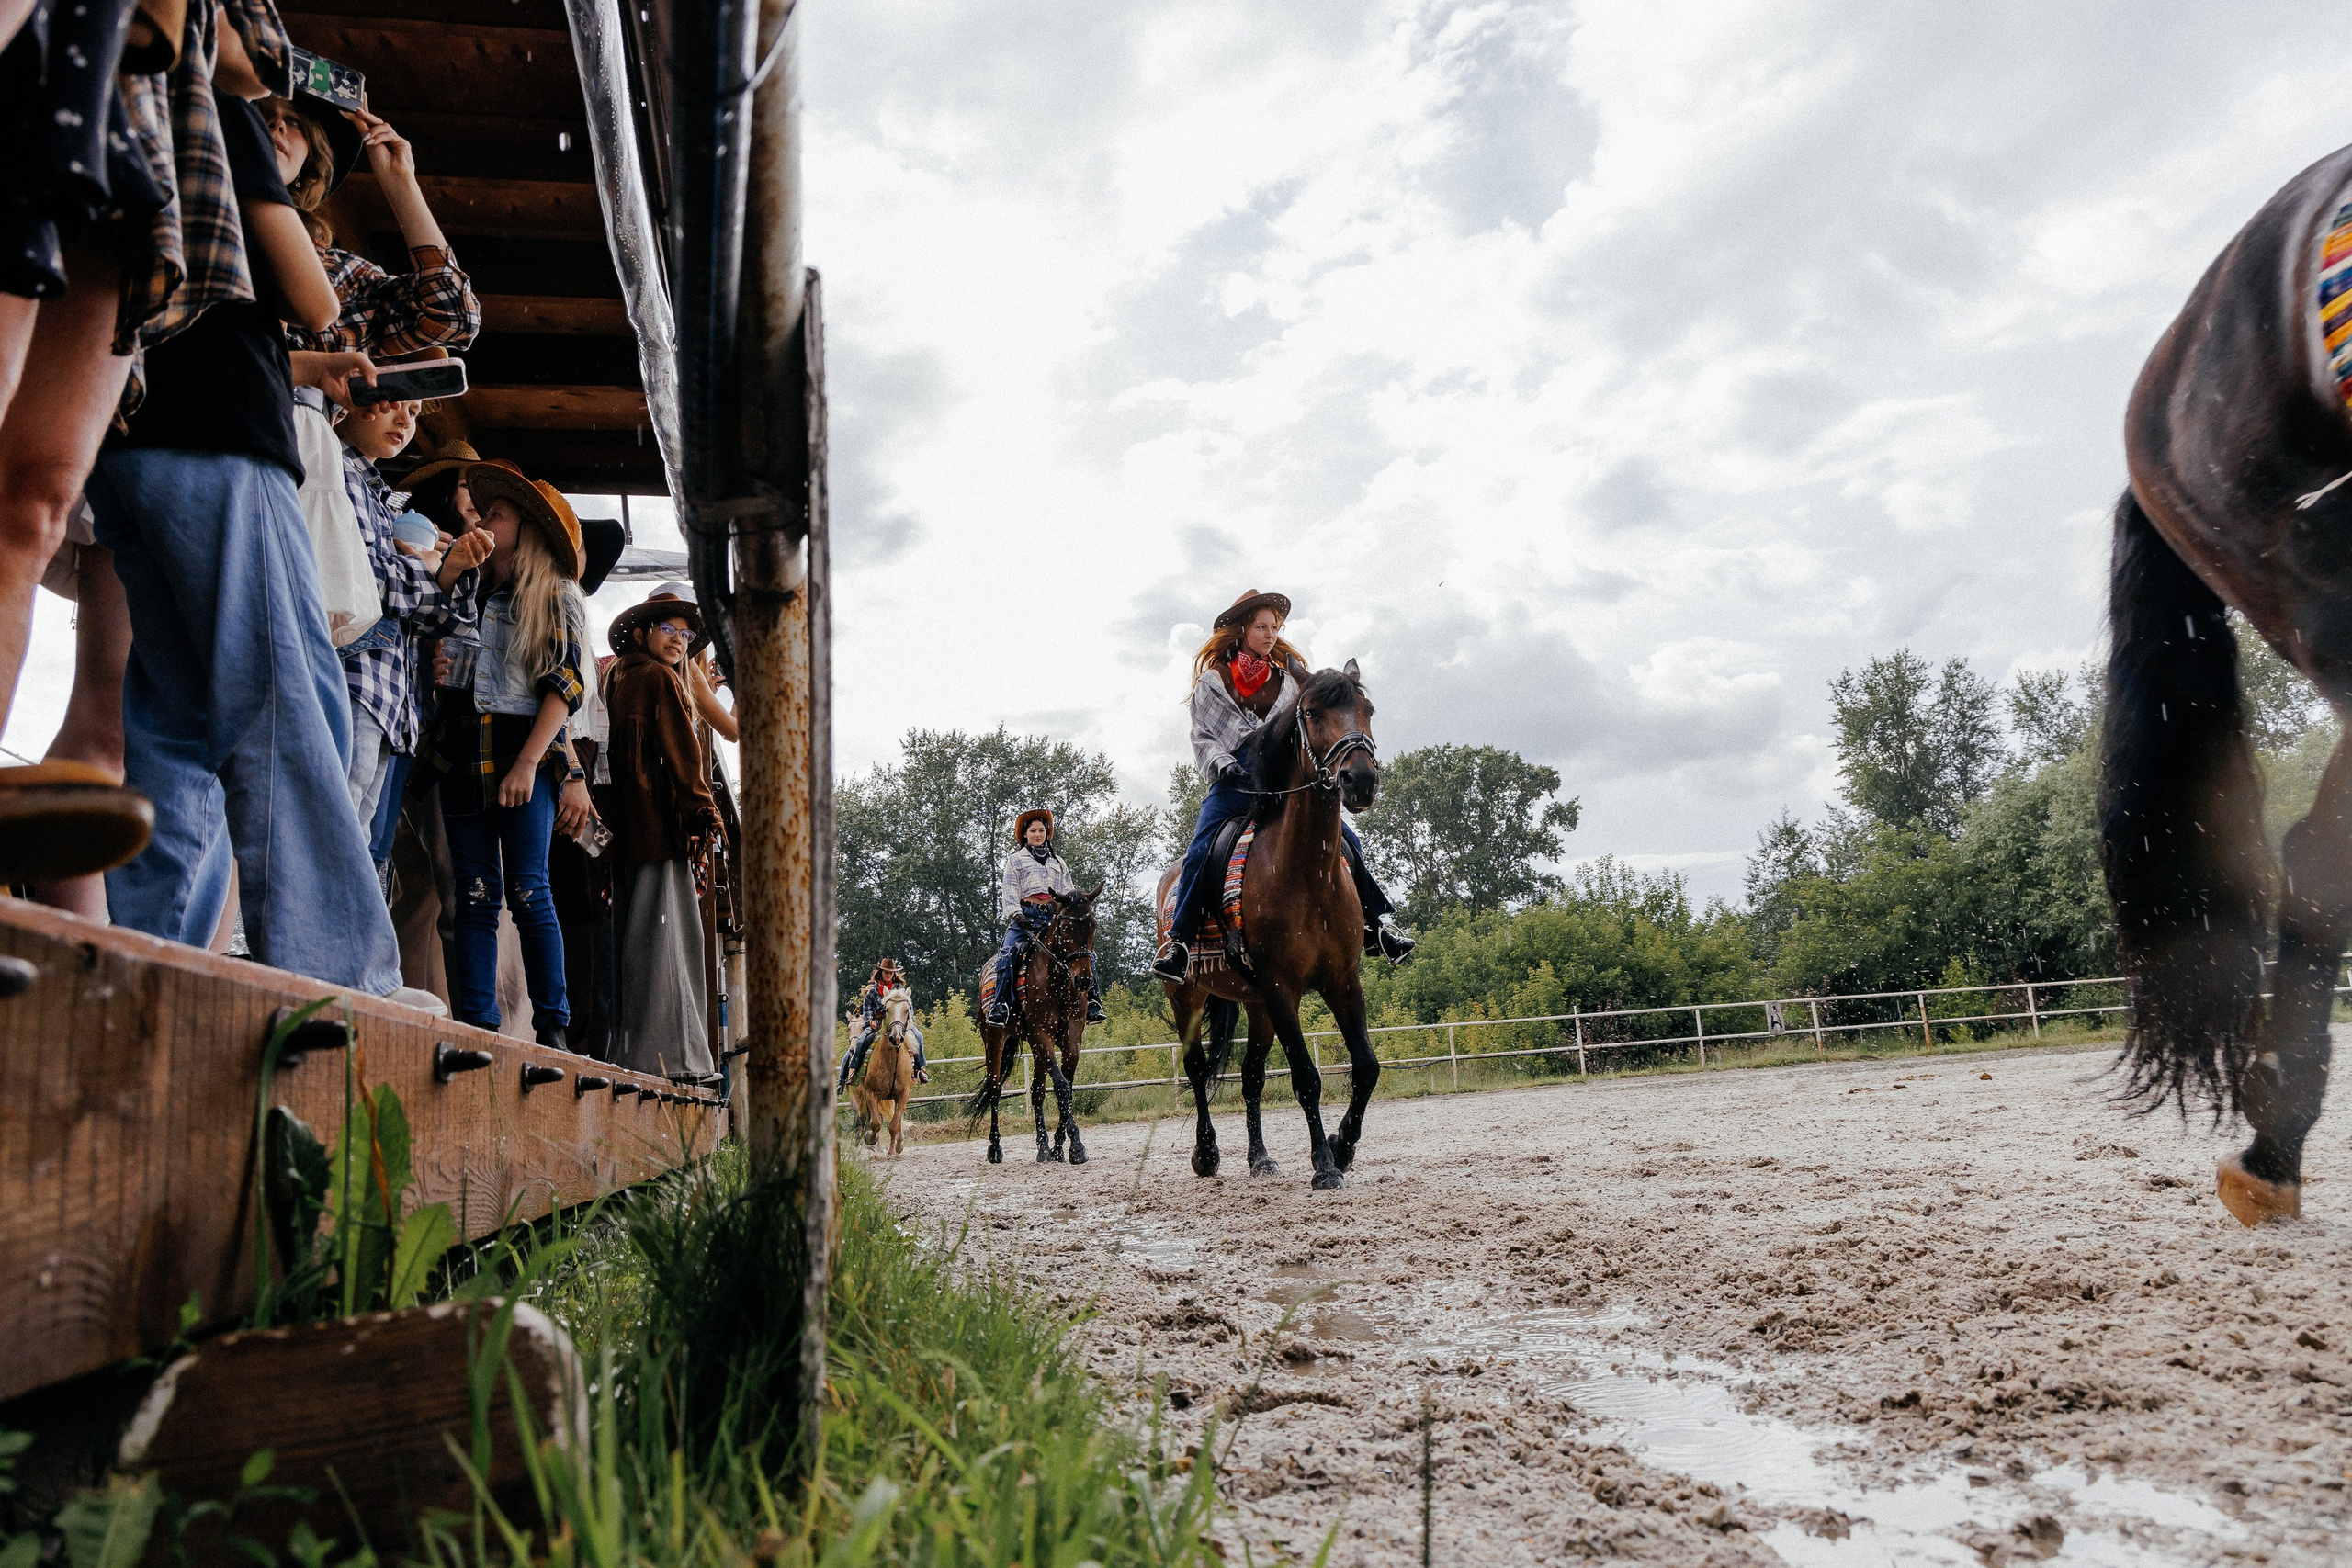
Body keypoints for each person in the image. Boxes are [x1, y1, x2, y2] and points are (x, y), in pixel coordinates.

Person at [85, 24, 437, 1007]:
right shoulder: (220, 118)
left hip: (127, 435)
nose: (278, 66)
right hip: (224, 444)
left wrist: (309, 368)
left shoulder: (134, 106)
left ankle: (155, 966)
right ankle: (333, 971)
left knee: (175, 722)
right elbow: (319, 295)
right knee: (290, 698)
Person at [1151, 589, 1413, 984]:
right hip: (1233, 781)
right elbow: (1203, 736)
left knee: (1347, 841)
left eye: (1274, 627)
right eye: (1261, 626)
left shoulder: (1289, 683)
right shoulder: (1213, 681)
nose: (1270, 633)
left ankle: (1377, 927)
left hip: (1278, 783)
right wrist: (1223, 764)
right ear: (1242, 630)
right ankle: (1181, 944)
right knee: (1200, 849)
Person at [428, 461, 589, 1047]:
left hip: (524, 748)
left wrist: (529, 764)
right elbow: (431, 646)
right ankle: (478, 1027)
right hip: (462, 749)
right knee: (473, 892)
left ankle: (553, 1029)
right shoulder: (467, 585)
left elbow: (565, 686)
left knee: (528, 889)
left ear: (527, 529)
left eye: (497, 513)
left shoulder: (556, 595)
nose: (484, 520)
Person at [334, 389, 489, 869]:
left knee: (362, 841)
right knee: (347, 837)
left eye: (416, 412)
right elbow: (369, 581)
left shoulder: (377, 496)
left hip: (389, 695)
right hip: (361, 679)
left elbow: (441, 615)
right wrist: (432, 570)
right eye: (397, 402)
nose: (407, 419)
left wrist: (438, 571)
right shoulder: (342, 476)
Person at [600, 590, 723, 1080]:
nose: (678, 640)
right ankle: (678, 1060)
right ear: (641, 634)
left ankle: (632, 1054)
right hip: (658, 829)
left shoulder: (618, 677)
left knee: (635, 940)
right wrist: (704, 813)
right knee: (671, 938)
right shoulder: (658, 679)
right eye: (667, 630)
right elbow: (682, 756)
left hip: (627, 832)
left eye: (685, 633)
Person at [987, 807, 1107, 1028]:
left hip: (1053, 918)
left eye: (1041, 830)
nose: (1037, 834)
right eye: (1033, 831)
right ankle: (1000, 1006)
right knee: (1008, 953)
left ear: (1047, 833)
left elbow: (1068, 893)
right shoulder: (1016, 861)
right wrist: (1017, 915)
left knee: (1085, 952)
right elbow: (1010, 891)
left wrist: (1071, 910)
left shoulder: (1058, 862)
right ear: (1025, 834)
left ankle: (1093, 1002)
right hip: (1025, 917)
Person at [837, 957, 929, 1090]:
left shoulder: (899, 989)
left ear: (893, 974)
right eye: (886, 972)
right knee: (861, 1041)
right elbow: (867, 1007)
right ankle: (853, 1071)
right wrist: (870, 1021)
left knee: (919, 1037)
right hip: (878, 1024)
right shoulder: (873, 991)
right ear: (881, 973)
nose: (888, 975)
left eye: (890, 972)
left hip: (899, 1023)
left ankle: (921, 1069)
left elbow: (908, 1006)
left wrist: (908, 1021)